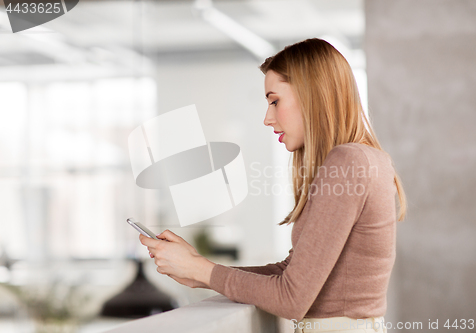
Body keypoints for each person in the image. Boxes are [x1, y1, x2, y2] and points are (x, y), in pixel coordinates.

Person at [140, 38, 407, 333]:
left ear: (312, 95)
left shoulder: (349, 161)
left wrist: (202, 270)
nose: (268, 118)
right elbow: (289, 274)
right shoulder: (364, 160)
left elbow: (291, 298)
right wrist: (200, 270)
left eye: (275, 101)